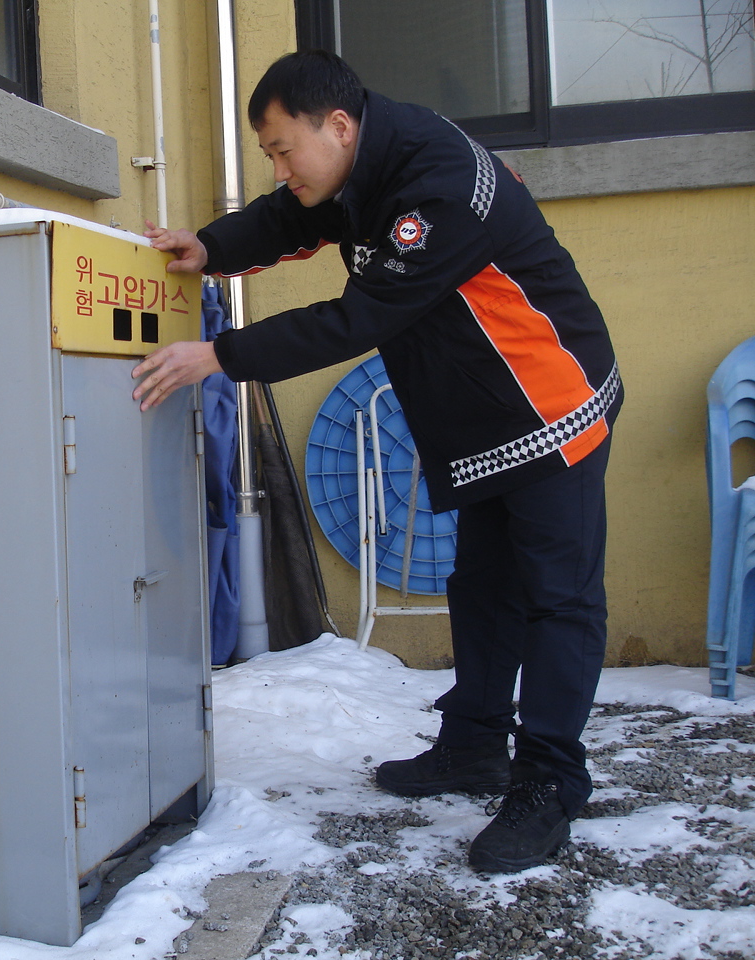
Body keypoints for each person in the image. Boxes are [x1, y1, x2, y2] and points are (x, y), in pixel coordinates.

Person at [133, 50, 621, 873]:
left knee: (557, 600)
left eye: (284, 149)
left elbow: (356, 320)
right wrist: (208, 247)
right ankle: (473, 745)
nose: (280, 169)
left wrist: (219, 353)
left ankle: (549, 784)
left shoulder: (435, 189)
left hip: (550, 405)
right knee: (482, 586)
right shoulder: (363, 163)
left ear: (338, 125)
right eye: (269, 153)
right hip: (482, 416)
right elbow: (293, 217)